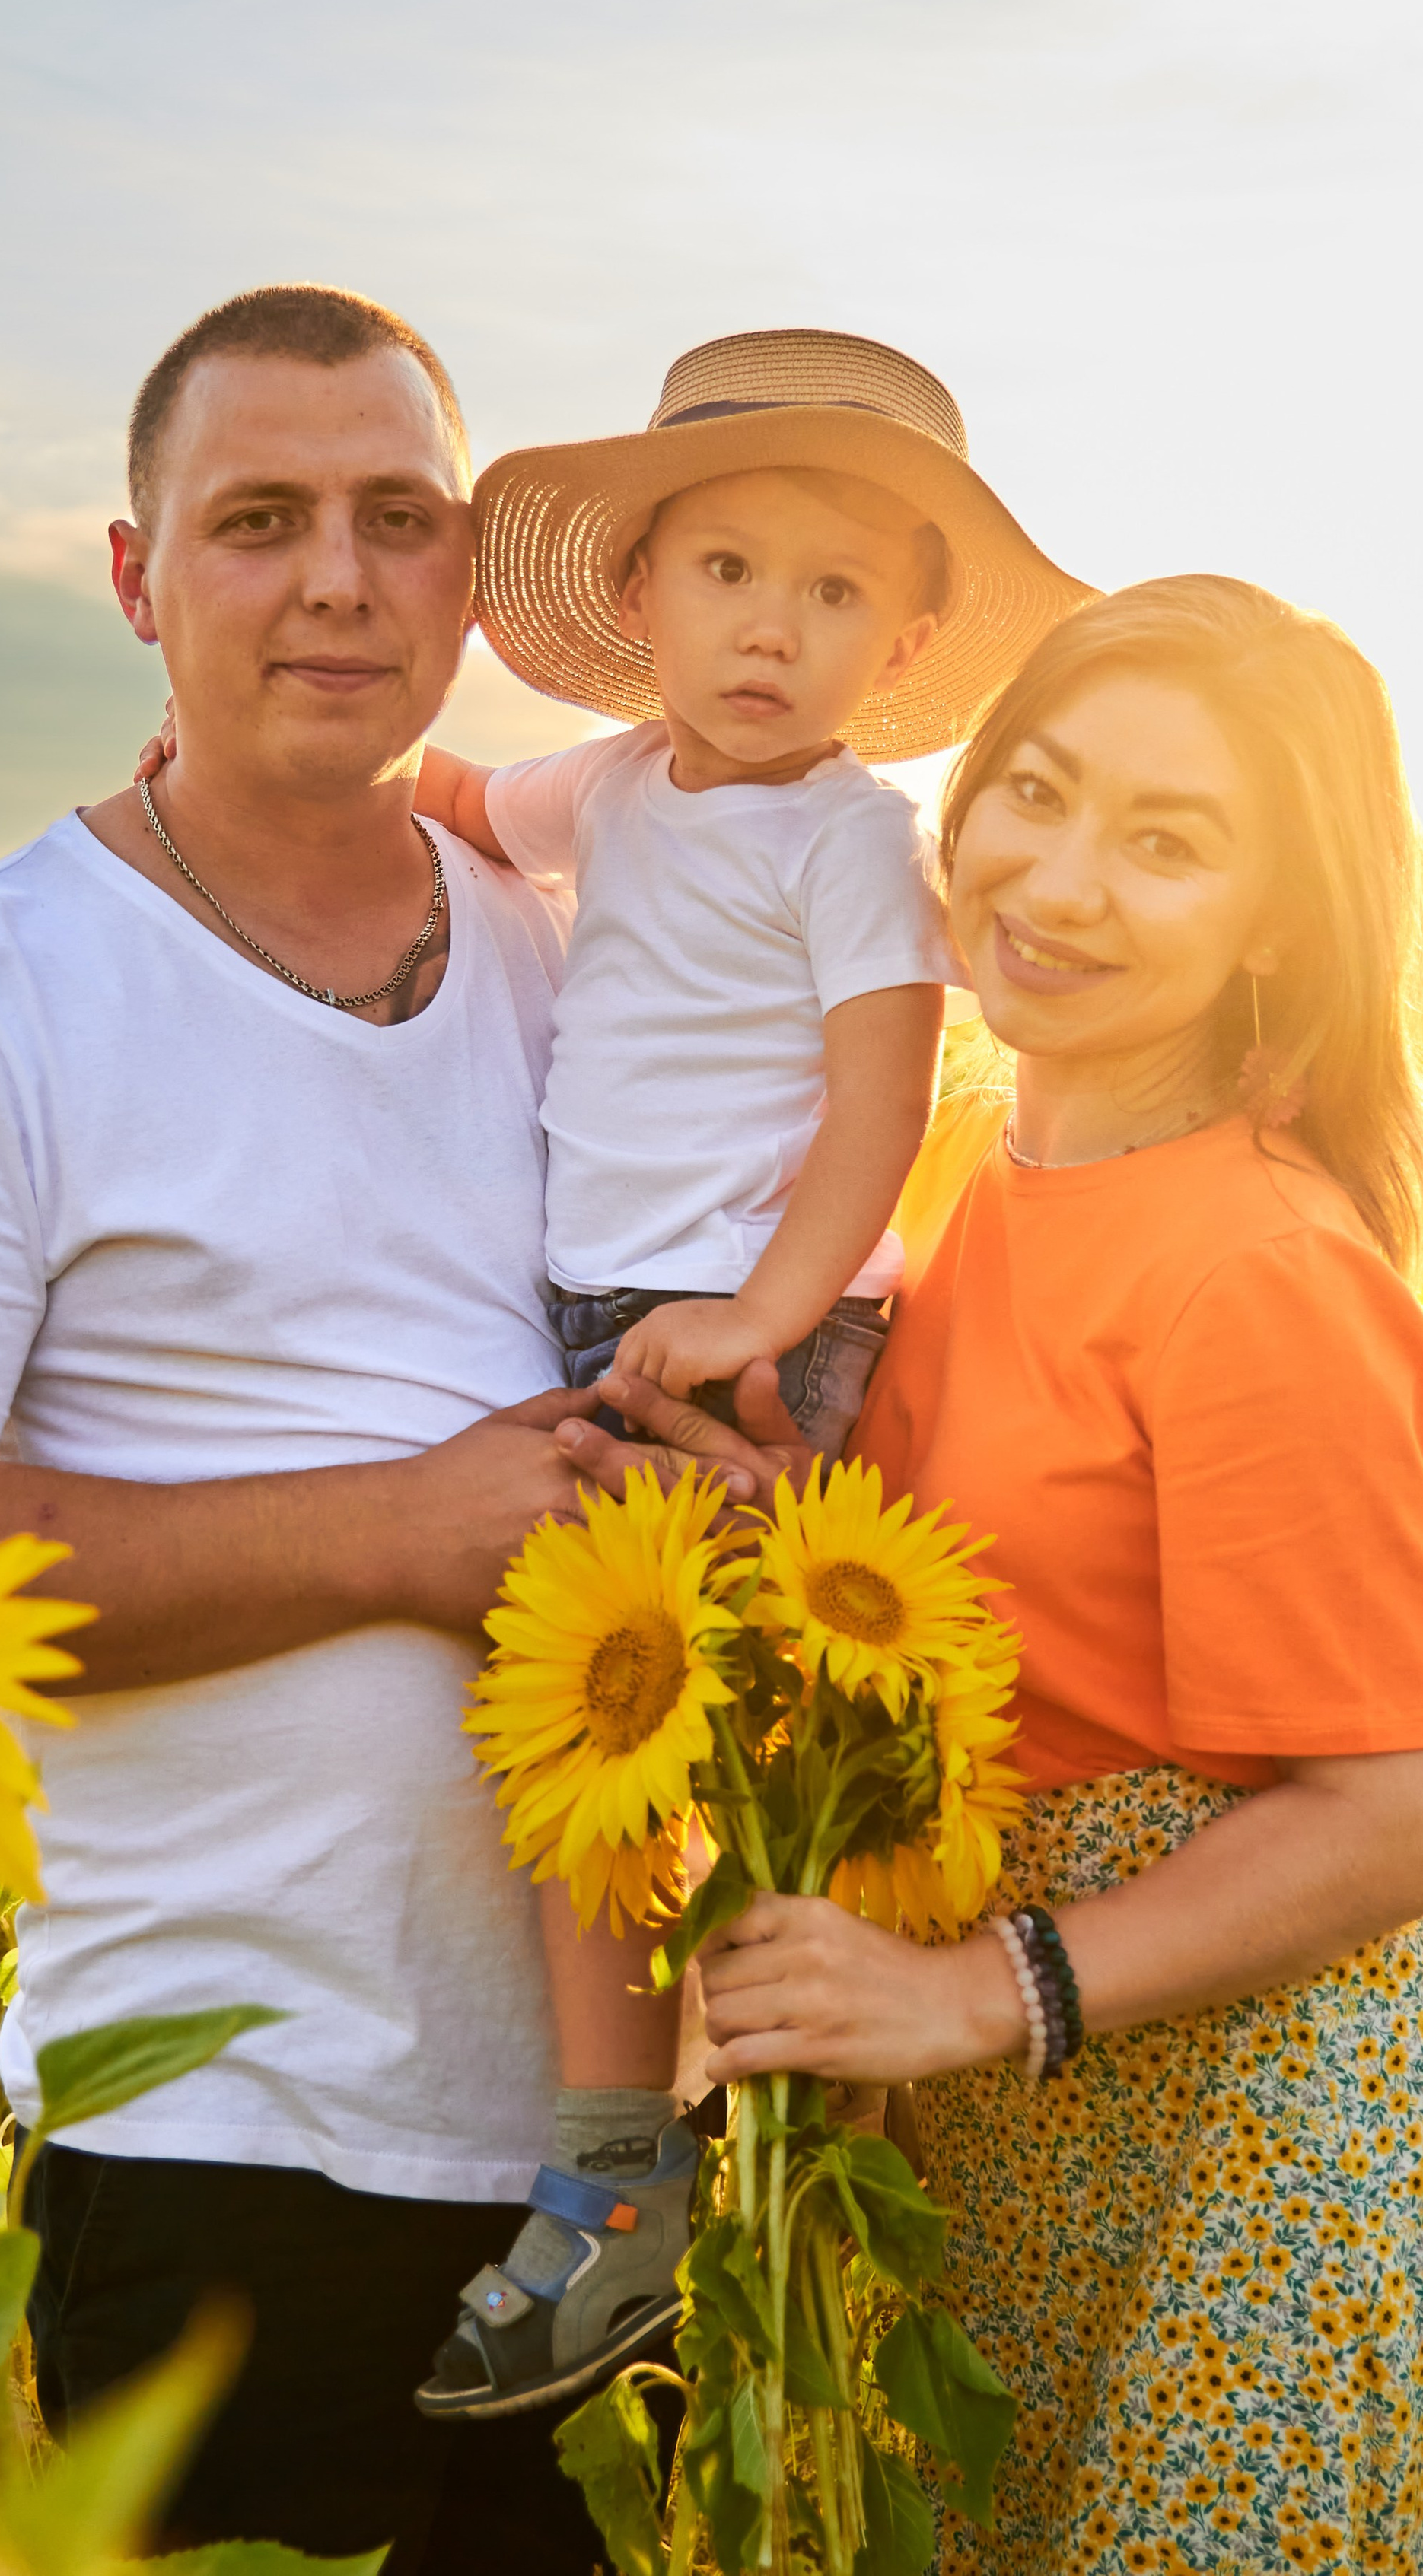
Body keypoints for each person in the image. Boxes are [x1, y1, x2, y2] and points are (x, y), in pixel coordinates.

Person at [0, 283, 684, 2574]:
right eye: (259, 519)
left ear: (467, 578)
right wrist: (403, 1530)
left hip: (607, 2149)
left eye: (398, 517)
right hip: (225, 2137)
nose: (338, 580)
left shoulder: (576, 954)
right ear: (134, 576)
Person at [143, 325, 1090, 2417]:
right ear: (641, 595)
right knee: (625, 1743)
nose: (770, 629)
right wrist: (202, 776)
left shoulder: (850, 842)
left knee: (633, 1728)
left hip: (756, 1327)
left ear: (900, 646)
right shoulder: (616, 789)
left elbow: (881, 1093)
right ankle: (695, 2145)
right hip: (611, 1310)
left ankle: (636, 2176)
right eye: (729, 573)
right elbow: (453, 792)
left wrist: (769, 1311)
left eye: (832, 594)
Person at [690, 576, 1423, 2571]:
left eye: (1168, 844)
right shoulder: (946, 1165)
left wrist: (966, 1996)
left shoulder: (1260, 1270)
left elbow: (1399, 1822)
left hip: (1258, 2166)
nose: (1061, 882)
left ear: (1280, 924)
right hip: (1030, 2150)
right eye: (1038, 792)